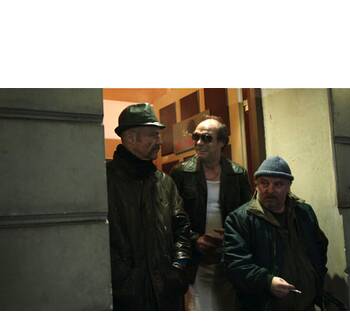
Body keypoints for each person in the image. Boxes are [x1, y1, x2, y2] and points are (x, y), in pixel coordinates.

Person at [106, 103, 192, 310]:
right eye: (153, 135)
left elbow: (182, 229)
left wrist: (178, 268)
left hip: (167, 294)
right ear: (130, 138)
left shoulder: (165, 182)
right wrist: (123, 280)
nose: (160, 141)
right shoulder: (104, 180)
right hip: (124, 299)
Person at [223, 156, 328, 310]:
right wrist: (267, 281)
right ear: (256, 184)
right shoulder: (240, 219)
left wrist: (316, 278)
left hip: (307, 305)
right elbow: (235, 264)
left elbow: (319, 248)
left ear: (288, 186)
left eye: (278, 184)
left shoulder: (303, 213)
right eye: (264, 183)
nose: (270, 190)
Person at [170, 116, 251, 310]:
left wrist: (231, 239)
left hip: (228, 258)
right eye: (196, 137)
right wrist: (195, 239)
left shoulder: (238, 174)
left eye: (206, 138)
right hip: (195, 262)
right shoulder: (181, 173)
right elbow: (171, 218)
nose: (199, 143)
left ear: (222, 142)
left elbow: (247, 217)